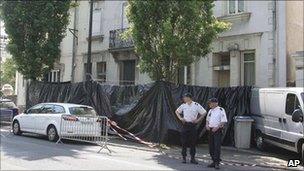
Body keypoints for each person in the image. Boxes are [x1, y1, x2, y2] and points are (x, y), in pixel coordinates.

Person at [175, 93, 207, 164]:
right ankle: (184, 158)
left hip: (192, 125)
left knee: (193, 142)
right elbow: (177, 111)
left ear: (189, 98)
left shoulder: (196, 105)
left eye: (185, 97)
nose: (184, 98)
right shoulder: (183, 105)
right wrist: (180, 118)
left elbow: (204, 112)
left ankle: (193, 158)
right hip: (185, 125)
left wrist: (198, 120)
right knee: (183, 142)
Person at [206, 98, 227, 169]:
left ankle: (217, 163)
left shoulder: (221, 110)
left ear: (215, 103)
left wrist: (217, 127)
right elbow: (207, 120)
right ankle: (213, 161)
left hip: (217, 130)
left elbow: (223, 121)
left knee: (217, 146)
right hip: (211, 130)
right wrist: (207, 125)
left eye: (211, 103)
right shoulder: (210, 111)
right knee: (211, 147)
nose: (209, 104)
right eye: (209, 103)